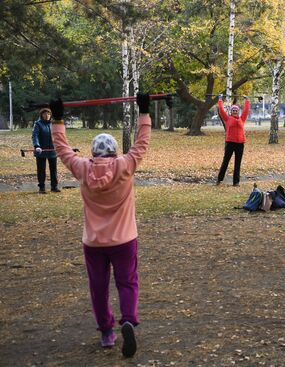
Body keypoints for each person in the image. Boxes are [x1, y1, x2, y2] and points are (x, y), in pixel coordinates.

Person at [50, 93, 152, 358]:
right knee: (127, 282)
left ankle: (107, 332)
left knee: (98, 286)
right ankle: (128, 319)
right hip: (124, 240)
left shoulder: (82, 168)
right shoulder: (125, 165)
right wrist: (144, 111)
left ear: (93, 153)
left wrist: (58, 119)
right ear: (115, 151)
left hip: (94, 242)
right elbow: (142, 143)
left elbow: (61, 148)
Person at [216, 94, 250, 186]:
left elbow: (246, 111)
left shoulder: (242, 119)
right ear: (231, 112)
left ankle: (236, 182)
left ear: (238, 112)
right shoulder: (227, 119)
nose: (235, 111)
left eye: (236, 110)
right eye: (233, 110)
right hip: (230, 143)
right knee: (225, 162)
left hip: (240, 143)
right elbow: (221, 110)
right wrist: (220, 100)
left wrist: (247, 101)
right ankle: (219, 180)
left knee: (237, 163)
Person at [32, 107, 60, 193]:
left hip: (52, 151)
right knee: (41, 170)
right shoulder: (38, 124)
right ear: (41, 115)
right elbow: (35, 136)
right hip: (41, 151)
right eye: (45, 114)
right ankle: (41, 188)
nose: (47, 115)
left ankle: (54, 187)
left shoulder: (53, 124)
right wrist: (37, 146)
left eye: (48, 114)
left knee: (53, 170)